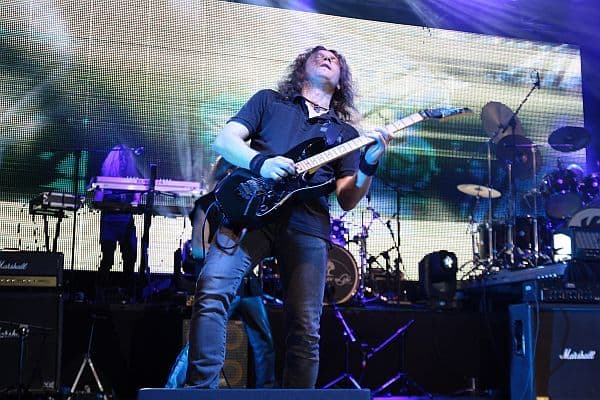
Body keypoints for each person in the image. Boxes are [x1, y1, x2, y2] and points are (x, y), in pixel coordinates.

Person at [187, 45, 392, 389]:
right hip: (248, 214)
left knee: (305, 326)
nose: (329, 58)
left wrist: (368, 164)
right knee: (211, 293)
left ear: (341, 80)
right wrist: (261, 163)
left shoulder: (345, 135)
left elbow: (347, 199)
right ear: (301, 69)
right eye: (320, 54)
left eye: (336, 58)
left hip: (307, 225)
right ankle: (198, 392)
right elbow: (224, 141)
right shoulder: (268, 102)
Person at [166, 157, 276, 388]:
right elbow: (198, 248)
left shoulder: (251, 204)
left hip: (248, 285)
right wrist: (226, 261)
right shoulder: (207, 203)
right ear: (228, 173)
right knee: (201, 341)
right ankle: (172, 387)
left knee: (263, 340)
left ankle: (267, 389)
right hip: (222, 281)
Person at [95, 144, 141, 301]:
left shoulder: (132, 177)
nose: (123, 161)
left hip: (126, 222)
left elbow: (137, 199)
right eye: (120, 158)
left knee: (130, 258)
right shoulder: (105, 177)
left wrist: (133, 202)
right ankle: (100, 293)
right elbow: (98, 201)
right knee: (108, 258)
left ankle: (127, 293)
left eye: (125, 158)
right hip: (109, 222)